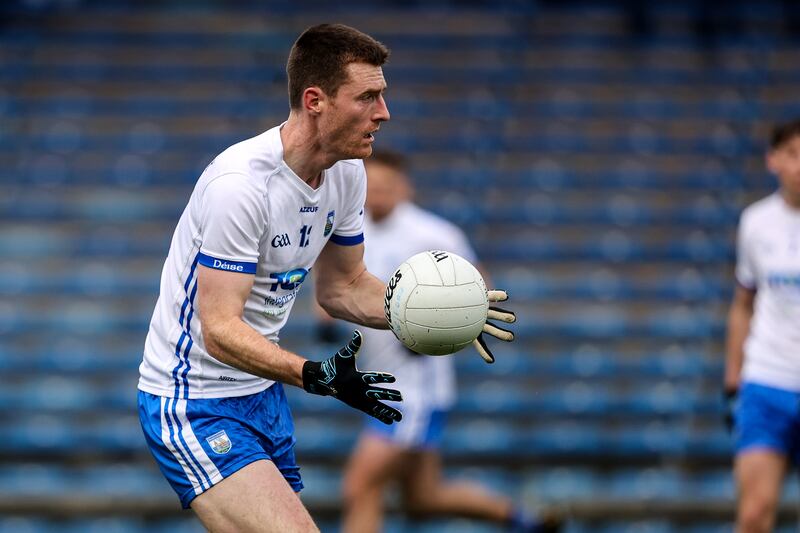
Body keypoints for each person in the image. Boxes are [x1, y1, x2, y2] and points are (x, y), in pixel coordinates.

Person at [135, 24, 515, 532]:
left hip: (260, 396)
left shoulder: (347, 172)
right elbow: (218, 330)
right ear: (315, 100)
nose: (384, 113)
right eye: (368, 97)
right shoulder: (240, 187)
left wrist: (442, 313)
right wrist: (314, 374)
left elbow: (344, 287)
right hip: (193, 400)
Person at [338, 151, 561, 533]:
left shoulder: (433, 234)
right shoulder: (355, 232)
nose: (377, 193)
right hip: (378, 380)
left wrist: (435, 327)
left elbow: (484, 294)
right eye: (370, 185)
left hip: (413, 390)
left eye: (387, 185)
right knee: (423, 498)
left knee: (361, 486)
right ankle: (524, 519)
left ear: (405, 188)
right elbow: (340, 289)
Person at [725, 118, 800, 533]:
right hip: (768, 380)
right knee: (754, 514)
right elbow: (742, 304)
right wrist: (733, 378)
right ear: (773, 160)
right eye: (793, 154)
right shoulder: (755, 222)